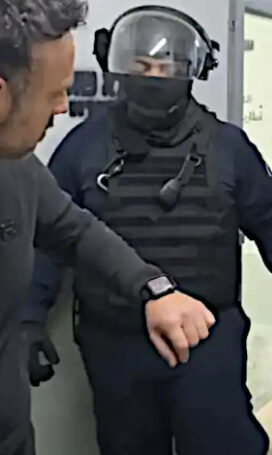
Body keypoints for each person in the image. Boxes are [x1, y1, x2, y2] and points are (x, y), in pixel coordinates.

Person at [24, 6, 272, 455]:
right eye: (142, 66)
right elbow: (50, 240)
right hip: (116, 340)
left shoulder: (228, 148)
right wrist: (29, 319)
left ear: (189, 71)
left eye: (165, 68)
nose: (153, 77)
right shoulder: (84, 147)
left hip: (207, 338)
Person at [0, 1, 217, 454]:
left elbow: (76, 231)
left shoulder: (18, 169)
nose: (63, 107)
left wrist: (154, 288)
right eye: (55, 93)